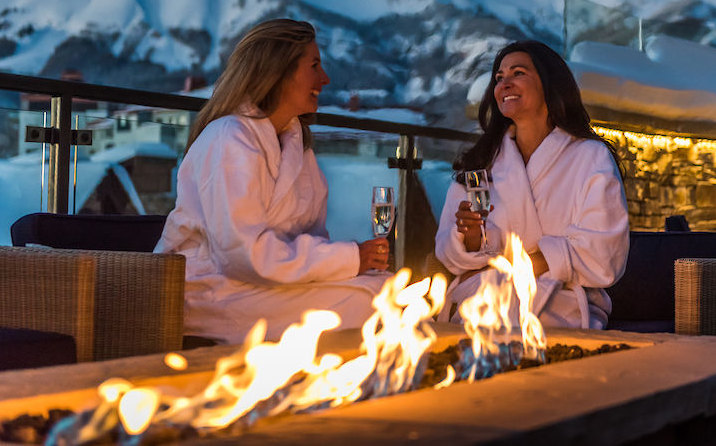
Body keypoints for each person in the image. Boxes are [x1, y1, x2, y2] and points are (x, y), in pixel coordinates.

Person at [155, 19, 389, 344]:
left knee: (389, 288)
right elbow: (242, 254)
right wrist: (348, 259)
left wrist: (351, 262)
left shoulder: (296, 145)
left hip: (264, 284)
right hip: (211, 290)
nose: (325, 78)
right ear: (278, 71)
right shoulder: (229, 138)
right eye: (314, 65)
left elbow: (312, 235)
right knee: (366, 303)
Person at [435, 40, 629, 329]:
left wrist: (518, 266)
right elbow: (448, 254)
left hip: (562, 303)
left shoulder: (590, 156)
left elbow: (604, 252)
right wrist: (471, 238)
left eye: (518, 73)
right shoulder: (482, 161)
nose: (505, 83)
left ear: (549, 83)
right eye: (499, 78)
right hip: (486, 296)